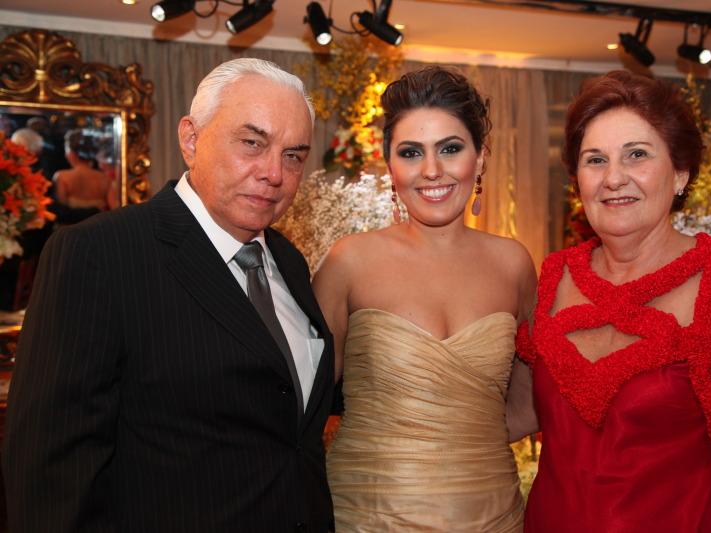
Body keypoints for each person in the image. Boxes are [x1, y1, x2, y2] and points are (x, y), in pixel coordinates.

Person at [3, 58, 335, 532]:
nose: (274, 172)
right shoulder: (100, 253)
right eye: (252, 143)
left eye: (294, 156)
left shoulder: (289, 262)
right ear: (191, 139)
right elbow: (50, 473)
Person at [516, 70, 711, 532]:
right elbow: (518, 413)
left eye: (637, 155)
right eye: (595, 160)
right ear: (577, 180)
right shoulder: (553, 277)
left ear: (681, 173)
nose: (613, 178)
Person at [313, 66, 538, 532]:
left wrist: (459, 447)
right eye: (411, 152)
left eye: (450, 148)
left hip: (491, 514)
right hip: (368, 516)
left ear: (480, 158)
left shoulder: (513, 263)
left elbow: (532, 400)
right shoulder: (349, 261)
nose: (432, 170)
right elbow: (300, 406)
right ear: (390, 165)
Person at [53, 129, 110, 213]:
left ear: (71, 153)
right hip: (100, 221)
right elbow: (114, 209)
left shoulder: (61, 177)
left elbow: (61, 211)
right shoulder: (105, 178)